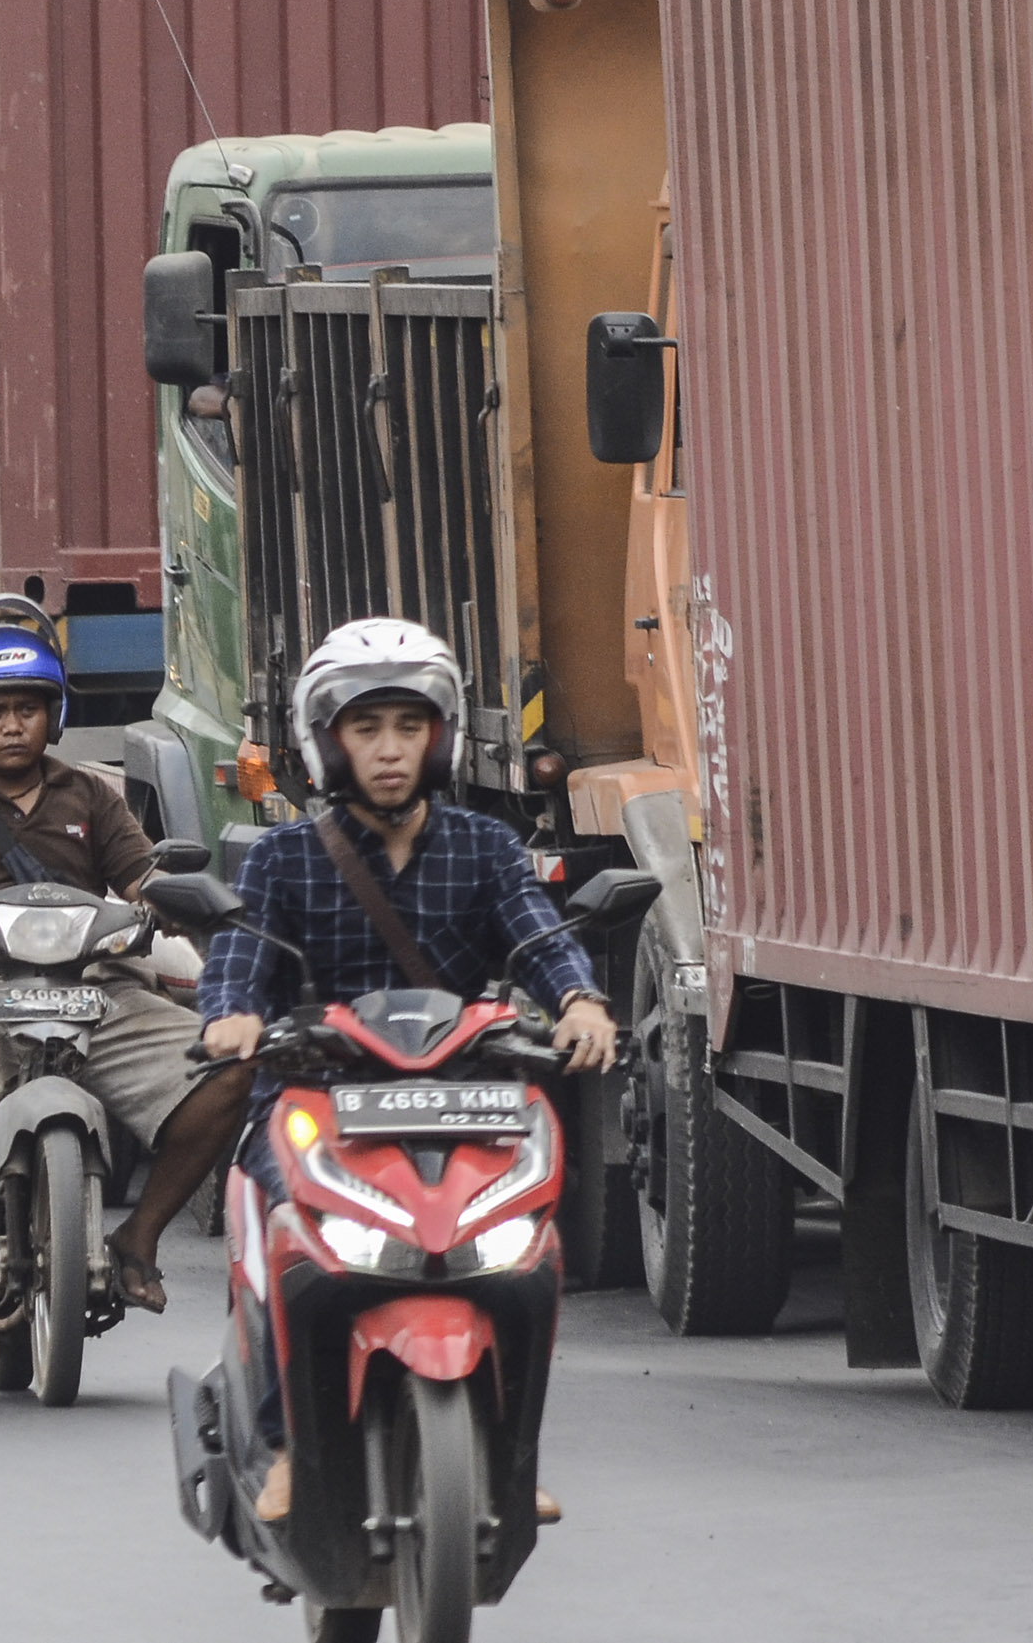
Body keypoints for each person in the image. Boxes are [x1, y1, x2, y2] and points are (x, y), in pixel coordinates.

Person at [197, 617, 618, 1523]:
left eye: (408, 726)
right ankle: (284, 1444)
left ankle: (508, 1453)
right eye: (366, 728)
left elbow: (542, 939)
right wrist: (231, 1015)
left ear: (441, 736)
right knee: (280, 1236)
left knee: (527, 1256)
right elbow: (239, 958)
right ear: (328, 742)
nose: (389, 749)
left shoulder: (486, 847)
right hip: (316, 1099)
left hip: (465, 1098)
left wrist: (581, 1003)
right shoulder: (282, 857)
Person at [0, 600, 248, 1311]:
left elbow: (139, 875)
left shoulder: (90, 795)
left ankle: (140, 1235)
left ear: (55, 714)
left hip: (95, 988)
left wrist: (168, 897)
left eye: (29, 709)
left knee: (227, 1072)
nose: (13, 724)